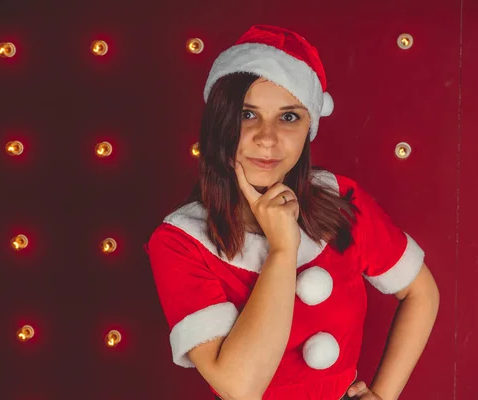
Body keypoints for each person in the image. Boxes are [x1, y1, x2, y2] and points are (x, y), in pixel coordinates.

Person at [144, 24, 439, 400]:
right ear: (221, 122)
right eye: (249, 114)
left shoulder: (342, 198)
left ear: (309, 128)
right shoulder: (181, 241)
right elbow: (239, 388)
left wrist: (384, 395)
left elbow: (421, 291)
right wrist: (283, 250)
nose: (267, 138)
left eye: (289, 117)